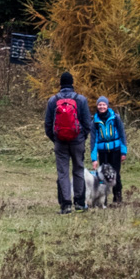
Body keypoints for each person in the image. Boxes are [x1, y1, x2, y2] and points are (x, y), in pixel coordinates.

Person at [43, 72, 94, 213]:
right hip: (77, 141)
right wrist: (82, 137)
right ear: (72, 83)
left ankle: (66, 205)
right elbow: (87, 123)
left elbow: (47, 124)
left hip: (60, 141)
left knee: (63, 172)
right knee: (78, 170)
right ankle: (79, 203)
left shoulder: (53, 100)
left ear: (61, 84)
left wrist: (55, 138)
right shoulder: (81, 99)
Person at [87, 94, 128, 203]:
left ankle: (118, 198)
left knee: (116, 174)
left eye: (104, 104)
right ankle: (103, 200)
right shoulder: (94, 121)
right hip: (103, 151)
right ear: (97, 106)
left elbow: (122, 134)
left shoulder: (115, 117)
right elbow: (93, 140)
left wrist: (123, 152)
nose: (102, 107)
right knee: (103, 175)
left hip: (116, 150)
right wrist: (94, 158)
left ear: (107, 105)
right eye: (100, 105)